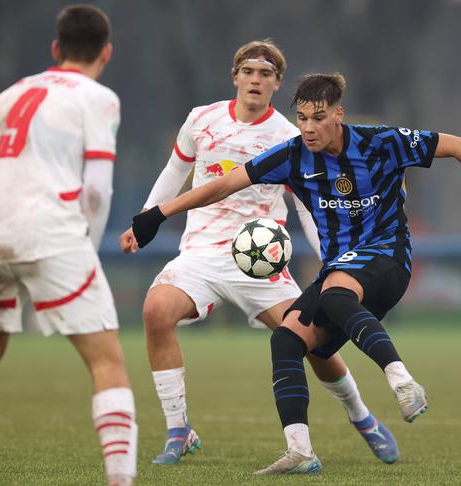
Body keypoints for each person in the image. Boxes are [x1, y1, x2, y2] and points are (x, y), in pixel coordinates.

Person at [131, 72, 461, 475]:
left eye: (317, 117)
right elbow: (225, 185)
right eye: (302, 117)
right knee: (288, 339)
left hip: (387, 258)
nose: (307, 127)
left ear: (338, 114)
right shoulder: (291, 155)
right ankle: (301, 450)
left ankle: (402, 381)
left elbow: (459, 146)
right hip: (339, 267)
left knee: (336, 294)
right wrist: (159, 214)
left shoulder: (382, 142)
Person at [119, 41, 400, 467]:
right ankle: (179, 430)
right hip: (201, 251)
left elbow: (307, 203)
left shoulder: (289, 136)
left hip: (262, 258)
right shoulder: (201, 119)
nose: (256, 79)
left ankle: (362, 418)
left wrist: (331, 257)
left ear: (277, 83)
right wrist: (145, 217)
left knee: (311, 344)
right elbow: (176, 170)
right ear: (235, 76)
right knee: (156, 311)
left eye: (265, 74)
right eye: (248, 71)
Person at [0, 6, 137, 485]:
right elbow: (96, 191)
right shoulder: (100, 98)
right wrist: (86, 251)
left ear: (55, 49)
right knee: (107, 361)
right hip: (51, 235)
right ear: (106, 52)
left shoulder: (7, 96)